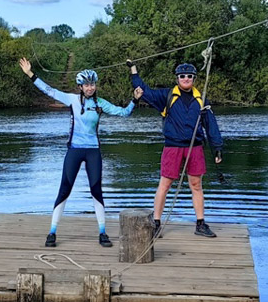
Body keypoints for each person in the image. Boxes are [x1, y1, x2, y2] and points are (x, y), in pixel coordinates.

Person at [18, 58, 140, 248]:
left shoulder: (100, 103)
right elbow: (49, 91)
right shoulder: (72, 100)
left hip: (93, 151)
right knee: (64, 189)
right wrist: (30, 74)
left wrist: (134, 99)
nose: (90, 88)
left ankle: (102, 233)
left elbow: (123, 113)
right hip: (74, 150)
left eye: (92, 84)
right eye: (86, 85)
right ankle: (52, 232)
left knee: (96, 190)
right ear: (80, 86)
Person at [130, 61, 223, 238]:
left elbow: (211, 126)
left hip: (194, 147)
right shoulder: (167, 96)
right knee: (164, 185)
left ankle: (200, 224)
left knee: (196, 185)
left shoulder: (201, 99)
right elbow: (144, 90)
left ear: (194, 78)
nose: (186, 79)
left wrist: (217, 148)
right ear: (177, 78)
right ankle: (156, 223)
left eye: (189, 76)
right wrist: (133, 71)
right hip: (172, 146)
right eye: (182, 76)